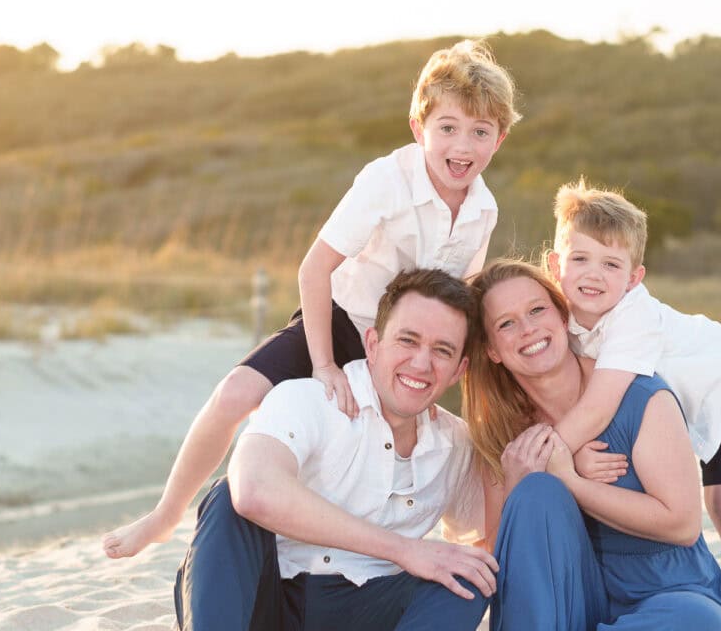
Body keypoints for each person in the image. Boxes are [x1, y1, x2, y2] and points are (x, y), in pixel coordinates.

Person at [103, 39, 520, 559]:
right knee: (235, 392)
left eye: (480, 133)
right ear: (420, 129)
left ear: (499, 139)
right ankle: (165, 515)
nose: (462, 146)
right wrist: (324, 364)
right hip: (342, 319)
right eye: (448, 129)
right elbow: (315, 268)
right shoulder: (385, 180)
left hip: (406, 343)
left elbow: (462, 296)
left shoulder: (484, 207)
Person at [131, 269, 497, 631]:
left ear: (460, 370)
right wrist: (403, 549)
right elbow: (255, 490)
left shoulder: (457, 444)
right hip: (259, 624)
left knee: (469, 569)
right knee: (227, 499)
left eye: (443, 351)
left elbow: (492, 536)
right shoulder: (307, 398)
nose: (422, 363)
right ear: (372, 342)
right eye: (408, 340)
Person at [460, 260, 721, 631]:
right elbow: (502, 563)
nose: (528, 329)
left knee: (695, 630)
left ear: (562, 315)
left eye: (537, 310)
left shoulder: (641, 395)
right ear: (492, 350)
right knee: (533, 489)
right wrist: (516, 482)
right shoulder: (505, 437)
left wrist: (573, 482)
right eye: (507, 323)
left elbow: (682, 524)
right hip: (575, 616)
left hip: (668, 600)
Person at [542, 180, 721, 631]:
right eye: (580, 260)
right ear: (554, 264)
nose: (593, 276)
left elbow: (599, 403)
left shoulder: (634, 318)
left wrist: (552, 454)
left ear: (635, 278)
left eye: (611, 265)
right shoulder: (556, 308)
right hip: (658, 402)